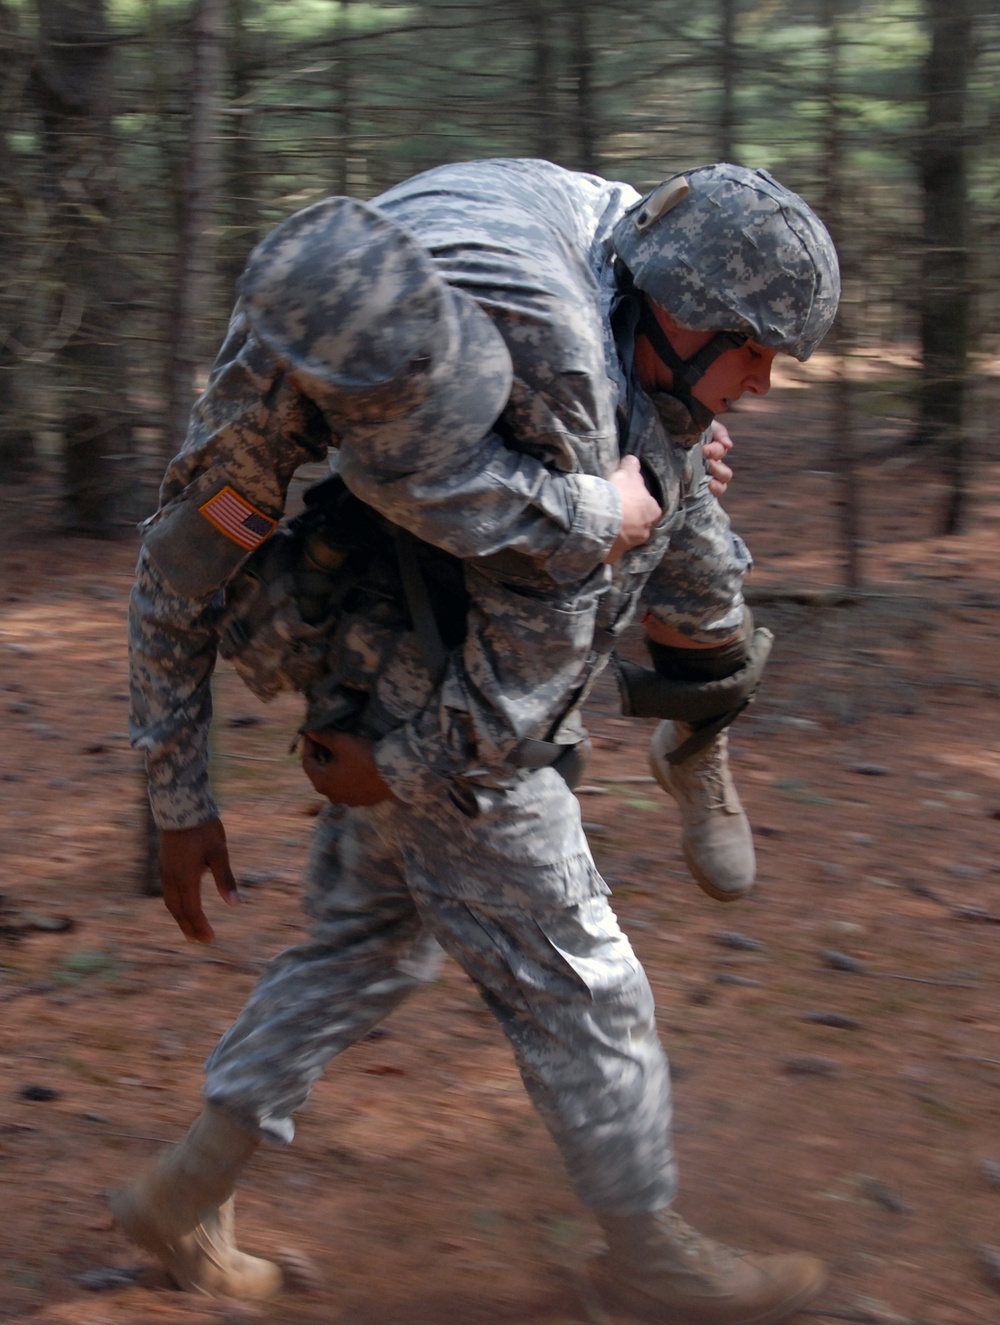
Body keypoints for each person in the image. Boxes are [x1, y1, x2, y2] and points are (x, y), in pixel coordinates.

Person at [114, 159, 839, 1324]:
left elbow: (587, 537)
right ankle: (644, 1255)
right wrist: (182, 791)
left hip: (425, 658)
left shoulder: (613, 280)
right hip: (437, 694)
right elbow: (189, 567)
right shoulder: (289, 361)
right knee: (580, 974)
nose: (761, 383)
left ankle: (185, 1192)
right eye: (752, 352)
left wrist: (649, 467)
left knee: (371, 941)